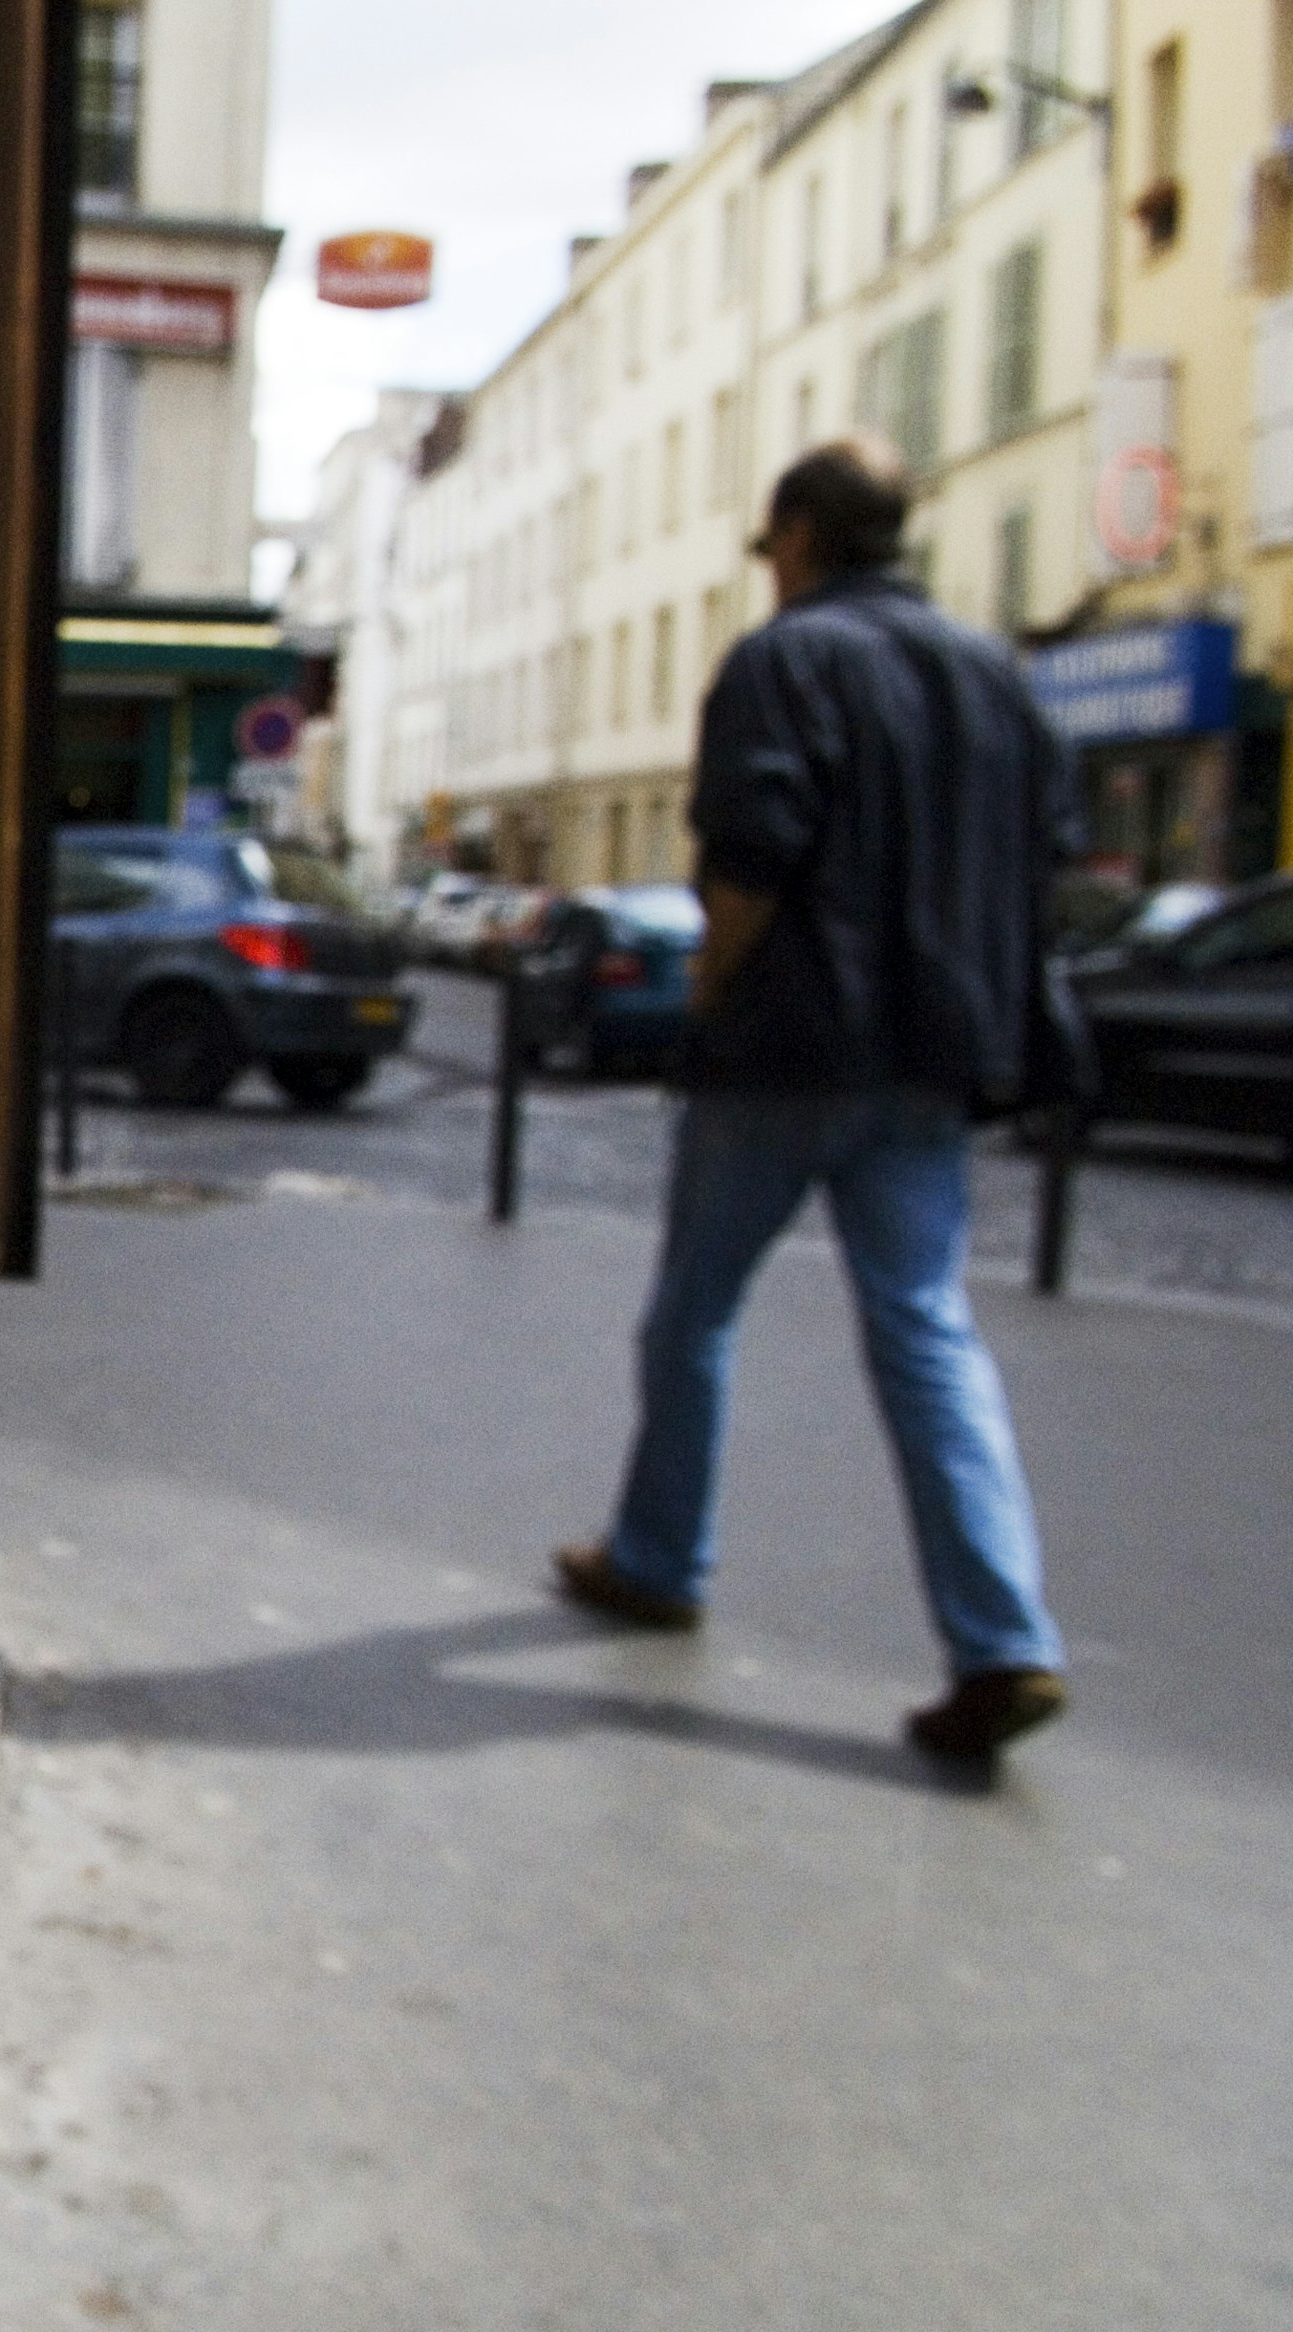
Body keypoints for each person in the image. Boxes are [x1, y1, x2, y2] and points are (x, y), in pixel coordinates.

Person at [552, 439, 1079, 1773]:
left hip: (791, 1046)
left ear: (796, 537)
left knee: (695, 1313)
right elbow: (1043, 865)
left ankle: (661, 1555)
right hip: (934, 1057)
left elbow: (751, 860)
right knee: (927, 1333)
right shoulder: (995, 677)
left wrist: (711, 999)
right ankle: (1002, 1633)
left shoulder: (784, 662)